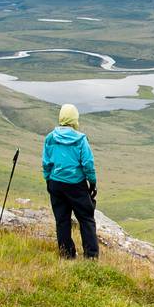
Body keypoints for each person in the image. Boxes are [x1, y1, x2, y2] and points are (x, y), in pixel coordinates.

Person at [42, 103, 99, 259]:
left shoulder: (50, 137)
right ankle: (91, 256)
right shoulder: (80, 139)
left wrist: (48, 179)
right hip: (76, 185)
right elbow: (88, 164)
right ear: (75, 119)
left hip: (55, 183)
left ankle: (67, 254)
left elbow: (46, 162)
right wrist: (92, 182)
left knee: (62, 220)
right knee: (86, 218)